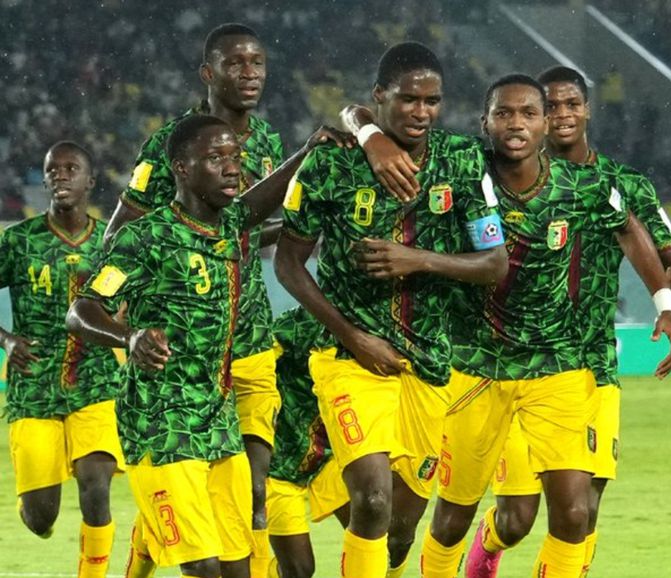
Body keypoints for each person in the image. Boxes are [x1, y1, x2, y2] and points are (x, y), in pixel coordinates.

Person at [345, 74, 671, 578]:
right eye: (503, 113)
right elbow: (356, 112)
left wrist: (666, 306)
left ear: (545, 123)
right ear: (484, 123)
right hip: (475, 363)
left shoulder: (583, 184)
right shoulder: (460, 164)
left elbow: (630, 230)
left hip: (558, 365)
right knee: (453, 520)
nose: (517, 124)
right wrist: (369, 134)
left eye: (528, 113)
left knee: (575, 513)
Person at [103, 23, 351, 578]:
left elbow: (241, 228)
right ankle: (161, 537)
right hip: (180, 352)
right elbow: (118, 236)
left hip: (251, 336)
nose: (249, 73)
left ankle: (178, 538)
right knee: (196, 487)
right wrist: (131, 316)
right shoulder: (172, 143)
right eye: (236, 64)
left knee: (252, 489)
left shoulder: (267, 142)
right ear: (208, 73)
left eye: (257, 63)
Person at [274, 42, 508, 578]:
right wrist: (353, 338)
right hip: (347, 356)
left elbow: (494, 263)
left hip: (428, 362)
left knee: (400, 536)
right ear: (380, 96)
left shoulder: (462, 160)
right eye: (408, 99)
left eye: (432, 101)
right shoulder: (330, 164)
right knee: (373, 500)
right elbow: (288, 264)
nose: (421, 112)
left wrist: (417, 259)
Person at [67, 114, 327, 578]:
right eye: (215, 158)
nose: (232, 168)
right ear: (182, 169)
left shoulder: (229, 225)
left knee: (237, 565)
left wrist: (307, 151)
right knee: (203, 566)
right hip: (161, 420)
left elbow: (259, 201)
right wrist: (129, 336)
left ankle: (149, 540)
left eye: (235, 157)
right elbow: (81, 311)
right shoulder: (144, 238)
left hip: (219, 418)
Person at [466, 65, 671, 578]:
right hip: (519, 361)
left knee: (581, 511)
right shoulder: (504, 178)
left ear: (587, 109)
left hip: (593, 364)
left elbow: (664, 247)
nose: (562, 114)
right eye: (550, 106)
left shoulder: (624, 183)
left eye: (572, 103)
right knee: (517, 518)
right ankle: (487, 547)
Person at [0, 141, 125, 578]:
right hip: (33, 386)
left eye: (71, 169)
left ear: (90, 181)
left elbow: (133, 302)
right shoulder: (19, 241)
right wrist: (6, 340)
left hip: (95, 382)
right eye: (53, 170)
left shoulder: (110, 244)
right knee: (41, 518)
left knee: (96, 486)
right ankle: (35, 509)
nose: (61, 176)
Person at [266, 306, 350, 578]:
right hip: (279, 465)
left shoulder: (376, 325)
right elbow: (251, 362)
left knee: (374, 526)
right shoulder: (302, 323)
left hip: (330, 457)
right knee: (300, 570)